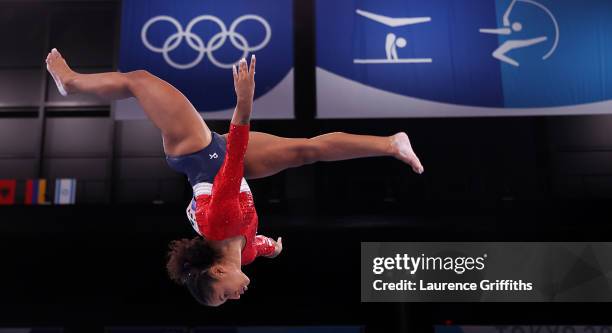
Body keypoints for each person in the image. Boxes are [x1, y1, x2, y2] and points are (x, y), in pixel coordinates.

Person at [45, 48, 424, 307]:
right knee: (310, 150)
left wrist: (244, 102)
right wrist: (272, 248)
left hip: (196, 153)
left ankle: (70, 82)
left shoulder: (218, 222)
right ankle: (391, 143)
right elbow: (257, 245)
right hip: (227, 161)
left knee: (139, 80)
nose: (235, 298)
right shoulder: (243, 254)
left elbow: (235, 159)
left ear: (218, 269)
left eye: (224, 295)